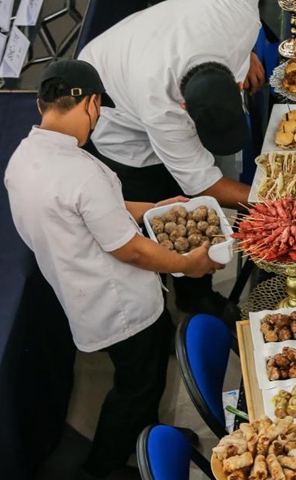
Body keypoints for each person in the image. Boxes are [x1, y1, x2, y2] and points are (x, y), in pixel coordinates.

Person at [4, 60, 223, 480]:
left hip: (79, 292)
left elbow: (93, 211)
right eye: (99, 108)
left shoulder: (23, 157)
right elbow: (131, 251)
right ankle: (104, 466)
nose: (98, 118)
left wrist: (153, 209)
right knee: (137, 386)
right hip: (119, 304)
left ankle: (152, 436)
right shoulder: (81, 170)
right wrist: (187, 265)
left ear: (40, 104)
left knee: (142, 374)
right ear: (90, 102)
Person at [77, 0, 266, 323]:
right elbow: (204, 184)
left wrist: (244, 55)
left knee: (194, 197)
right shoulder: (159, 104)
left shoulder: (240, 14)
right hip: (118, 117)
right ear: (184, 108)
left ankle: (197, 293)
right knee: (173, 214)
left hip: (147, 44)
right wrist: (272, 202)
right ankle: (181, 301)